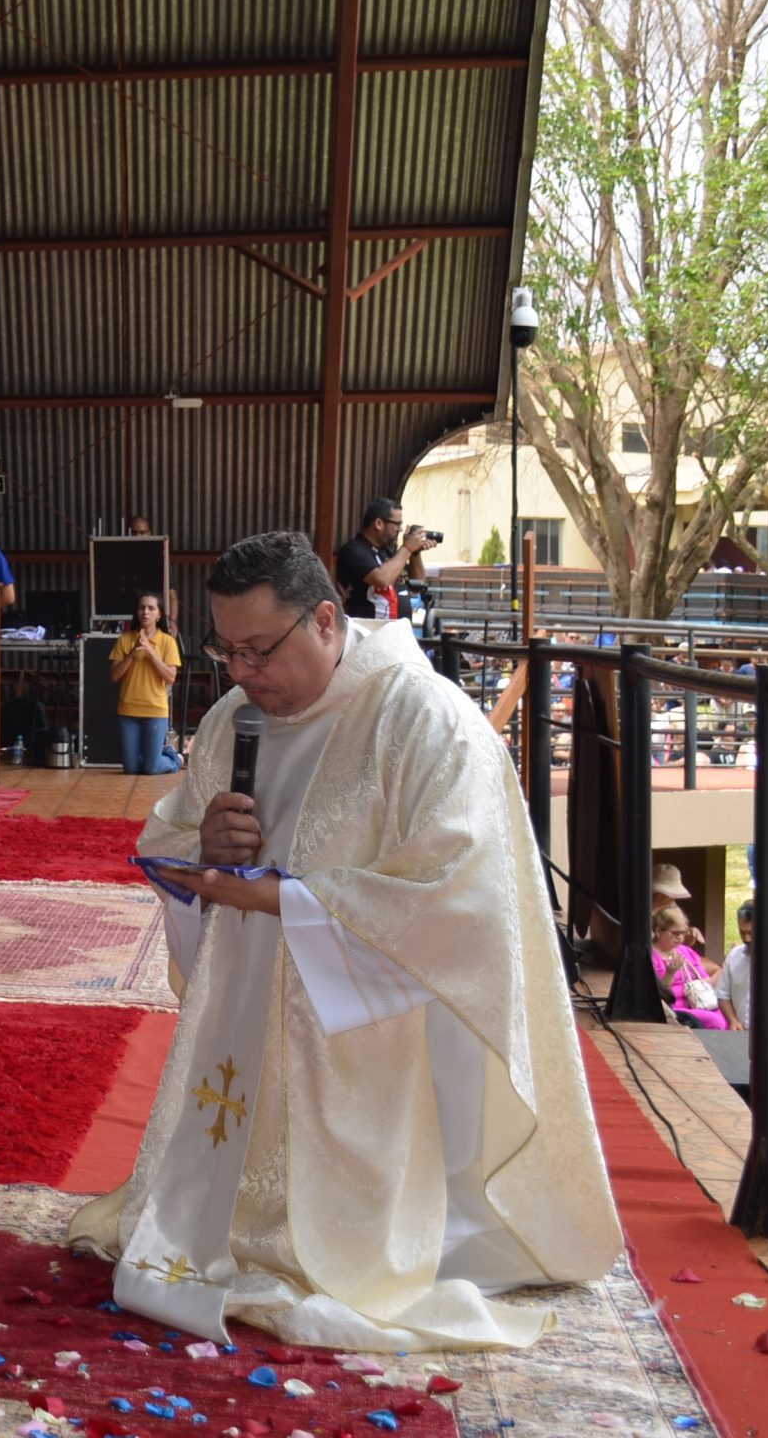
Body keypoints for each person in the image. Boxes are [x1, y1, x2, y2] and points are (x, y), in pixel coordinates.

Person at [69, 530, 617, 1351]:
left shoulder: (426, 721)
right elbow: (173, 836)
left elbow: (459, 893)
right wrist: (202, 847)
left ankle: (370, 1233)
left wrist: (287, 900)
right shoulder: (231, 720)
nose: (243, 674)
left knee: (353, 1218)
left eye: (258, 650)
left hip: (373, 1027)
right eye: (227, 651)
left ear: (326, 620)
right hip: (248, 1002)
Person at [109, 592, 183, 774]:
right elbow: (114, 676)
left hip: (155, 711)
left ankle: (174, 758)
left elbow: (170, 678)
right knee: (131, 768)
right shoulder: (125, 640)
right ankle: (152, 755)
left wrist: (150, 651)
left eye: (151, 608)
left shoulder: (168, 642)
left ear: (159, 615)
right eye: (142, 608)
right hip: (128, 711)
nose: (145, 612)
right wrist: (133, 654)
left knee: (151, 769)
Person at [334, 497, 433, 621]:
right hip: (368, 633)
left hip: (396, 634)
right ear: (379, 524)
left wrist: (415, 553)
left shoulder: (389, 553)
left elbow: (418, 584)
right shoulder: (354, 551)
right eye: (397, 524)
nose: (400, 529)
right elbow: (381, 579)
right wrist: (407, 548)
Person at [652, 907, 729, 1029]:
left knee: (727, 1014)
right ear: (658, 931)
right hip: (672, 1009)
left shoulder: (686, 951)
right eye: (675, 933)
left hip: (699, 1003)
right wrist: (670, 973)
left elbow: (706, 983)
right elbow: (659, 994)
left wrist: (726, 967)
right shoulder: (652, 957)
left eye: (683, 933)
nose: (680, 938)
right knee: (714, 1021)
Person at [649, 864, 707, 951]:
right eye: (662, 893)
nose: (669, 898)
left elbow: (682, 944)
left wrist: (688, 936)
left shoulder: (672, 906)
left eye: (671, 894)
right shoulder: (636, 908)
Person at [717, 901, 754, 1030]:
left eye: (751, 932)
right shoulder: (733, 956)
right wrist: (733, 1020)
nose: (747, 938)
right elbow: (723, 994)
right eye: (742, 932)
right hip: (741, 1034)